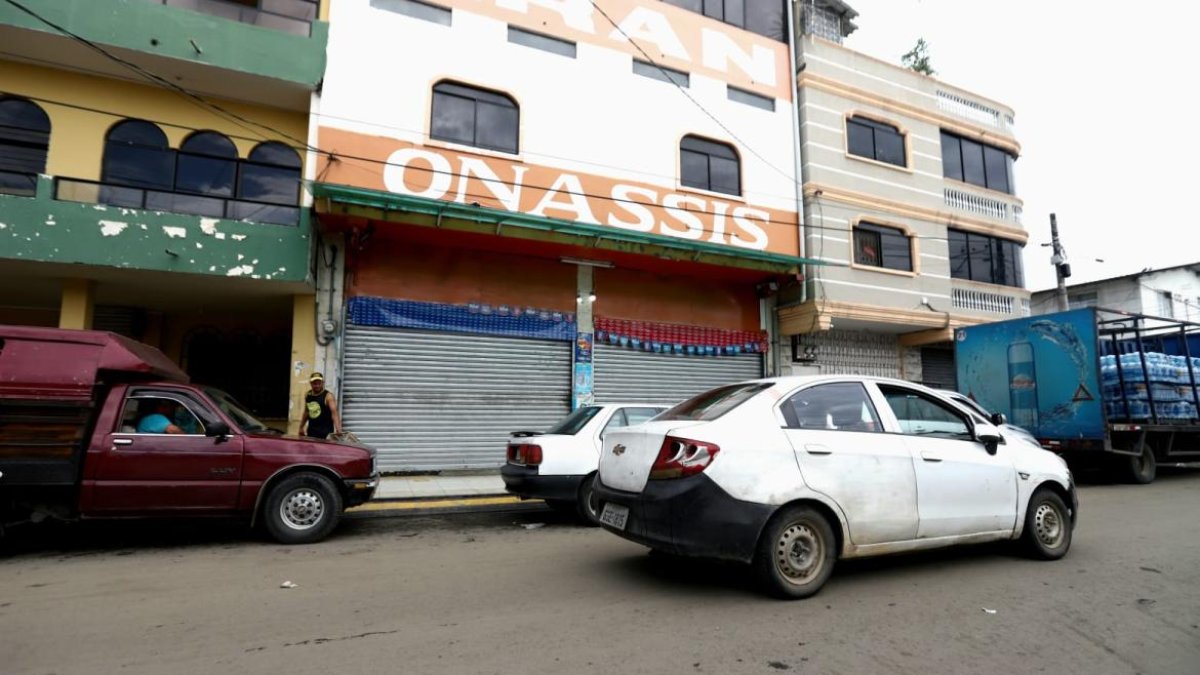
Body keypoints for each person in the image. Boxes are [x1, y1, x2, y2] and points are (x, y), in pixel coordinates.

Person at [299, 372, 342, 439]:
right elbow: (306, 412)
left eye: (319, 383)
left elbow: (334, 412)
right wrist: (301, 427)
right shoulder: (308, 395)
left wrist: (338, 428)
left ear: (323, 383)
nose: (317, 385)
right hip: (311, 433)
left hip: (325, 434)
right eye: (315, 384)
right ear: (311, 383)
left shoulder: (328, 396)